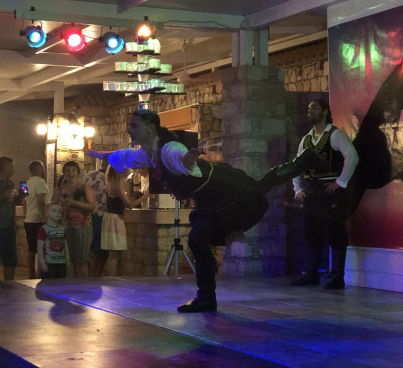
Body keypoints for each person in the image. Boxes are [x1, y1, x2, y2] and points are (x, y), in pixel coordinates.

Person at [89, 109, 330, 312]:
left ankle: (206, 296)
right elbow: (124, 156)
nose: (130, 129)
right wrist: (103, 155)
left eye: (134, 125)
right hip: (211, 196)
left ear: (151, 128)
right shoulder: (147, 153)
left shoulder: (168, 148)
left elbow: (179, 158)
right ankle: (305, 160)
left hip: (225, 190)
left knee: (200, 235)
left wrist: (189, 158)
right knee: (259, 188)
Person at [290, 99, 359, 290]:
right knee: (311, 233)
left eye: (315, 108)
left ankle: (337, 276)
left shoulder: (335, 135)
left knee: (335, 233)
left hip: (331, 194)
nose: (310, 111)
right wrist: (298, 189)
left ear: (326, 111)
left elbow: (352, 156)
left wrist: (340, 182)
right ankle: (312, 274)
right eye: (308, 108)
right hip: (312, 194)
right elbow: (297, 166)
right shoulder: (306, 139)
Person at [101, 166, 148, 276]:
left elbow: (120, 200)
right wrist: (146, 196)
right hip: (114, 219)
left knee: (113, 254)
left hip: (111, 218)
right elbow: (131, 205)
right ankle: (112, 278)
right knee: (114, 254)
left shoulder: (112, 182)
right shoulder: (118, 184)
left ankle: (111, 277)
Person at [52, 161, 95, 278]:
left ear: (78, 173)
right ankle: (70, 286)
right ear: (64, 173)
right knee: (68, 261)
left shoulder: (84, 187)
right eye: (67, 170)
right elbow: (52, 209)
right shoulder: (58, 190)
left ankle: (82, 287)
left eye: (73, 170)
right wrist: (61, 206)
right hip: (64, 229)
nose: (70, 173)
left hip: (83, 229)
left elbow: (92, 206)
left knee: (81, 261)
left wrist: (73, 203)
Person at [0, 156, 17, 281]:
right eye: (12, 166)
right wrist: (1, 196)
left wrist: (19, 197)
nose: (13, 170)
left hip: (9, 227)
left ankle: (9, 287)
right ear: (4, 167)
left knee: (11, 261)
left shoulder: (10, 183)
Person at [22, 160, 50, 279]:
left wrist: (26, 215)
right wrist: (46, 218)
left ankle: (31, 274)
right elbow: (41, 202)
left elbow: (23, 201)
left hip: (29, 221)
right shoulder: (41, 182)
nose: (43, 170)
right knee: (41, 249)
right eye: (42, 167)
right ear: (38, 169)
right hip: (39, 221)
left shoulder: (26, 184)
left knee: (31, 249)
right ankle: (40, 275)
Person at [85, 158, 109, 276]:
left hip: (88, 214)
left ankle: (90, 274)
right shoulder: (108, 179)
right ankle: (96, 275)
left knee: (90, 249)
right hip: (101, 215)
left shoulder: (90, 175)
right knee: (101, 250)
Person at [37, 202, 67, 279]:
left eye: (59, 211)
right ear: (47, 213)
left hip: (61, 263)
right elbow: (40, 247)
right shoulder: (43, 229)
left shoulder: (63, 229)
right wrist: (42, 262)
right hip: (49, 263)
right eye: (54, 210)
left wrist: (68, 261)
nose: (57, 213)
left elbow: (66, 246)